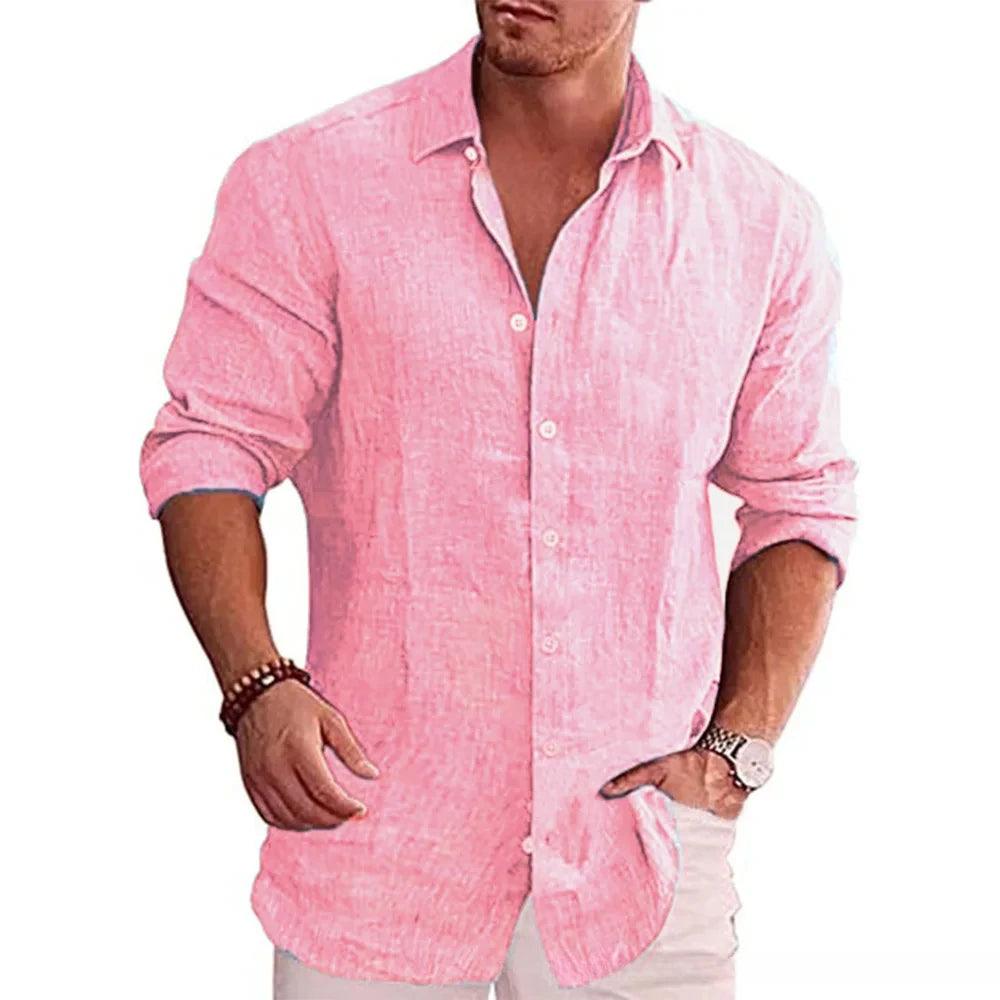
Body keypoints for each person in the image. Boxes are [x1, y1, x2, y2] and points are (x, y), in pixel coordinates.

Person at [138, 2, 858, 997]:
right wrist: (255, 682)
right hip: (373, 835)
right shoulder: (308, 183)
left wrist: (738, 748)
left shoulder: (759, 224)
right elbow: (212, 440)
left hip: (639, 862)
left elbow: (797, 497)